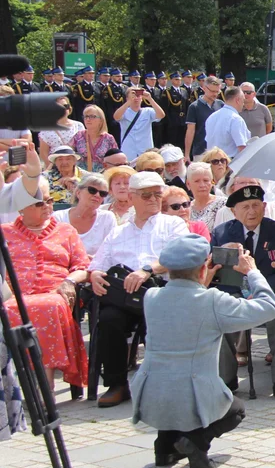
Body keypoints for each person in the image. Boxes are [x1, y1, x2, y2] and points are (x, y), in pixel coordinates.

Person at [131, 233, 275, 468]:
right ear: (203, 268)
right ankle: (195, 443)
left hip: (150, 397)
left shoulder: (151, 296)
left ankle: (165, 449)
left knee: (173, 387)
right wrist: (252, 271)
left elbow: (184, 302)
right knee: (236, 409)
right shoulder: (212, 300)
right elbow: (269, 308)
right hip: (193, 397)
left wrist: (201, 280)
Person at [87, 172, 189, 407]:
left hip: (162, 290)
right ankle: (117, 384)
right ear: (132, 197)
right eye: (147, 195)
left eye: (157, 194)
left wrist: (147, 270)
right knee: (108, 319)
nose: (154, 199)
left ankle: (162, 384)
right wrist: (94, 275)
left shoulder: (172, 223)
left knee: (159, 319)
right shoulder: (118, 232)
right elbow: (97, 265)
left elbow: (182, 255)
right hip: (125, 295)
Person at [211, 184, 275, 401]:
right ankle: (225, 379)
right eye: (245, 207)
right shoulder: (221, 232)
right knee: (214, 308)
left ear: (264, 207)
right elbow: (213, 271)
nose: (251, 212)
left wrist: (262, 289)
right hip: (233, 292)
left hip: (273, 290)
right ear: (234, 211)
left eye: (255, 206)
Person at [2, 180, 90, 390]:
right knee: (10, 309)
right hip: (13, 296)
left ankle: (45, 386)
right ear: (21, 207)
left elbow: (83, 266)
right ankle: (20, 385)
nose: (48, 206)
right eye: (40, 203)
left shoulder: (65, 231)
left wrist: (69, 281)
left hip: (56, 294)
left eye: (50, 201)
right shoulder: (4, 232)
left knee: (47, 306)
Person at [52, 173, 117, 257]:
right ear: (78, 193)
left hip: (96, 267)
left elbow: (112, 249)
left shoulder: (107, 218)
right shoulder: (58, 217)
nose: (97, 195)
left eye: (102, 193)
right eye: (92, 190)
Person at [115, 86, 164, 160]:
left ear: (142, 98)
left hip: (145, 150)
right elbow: (116, 117)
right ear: (127, 98)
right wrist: (129, 102)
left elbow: (161, 115)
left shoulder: (148, 111)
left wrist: (150, 99)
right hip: (129, 151)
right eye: (133, 95)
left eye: (138, 96)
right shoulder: (124, 111)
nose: (136, 98)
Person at [203, 86, 250, 159]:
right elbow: (242, 148)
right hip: (230, 163)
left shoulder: (211, 117)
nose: (243, 104)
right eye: (243, 101)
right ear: (237, 100)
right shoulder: (236, 119)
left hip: (212, 162)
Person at [185, 76, 224, 160]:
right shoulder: (194, 107)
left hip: (219, 152)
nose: (215, 94)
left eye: (217, 92)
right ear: (204, 88)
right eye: (212, 91)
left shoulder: (221, 105)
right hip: (201, 152)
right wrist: (187, 154)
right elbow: (190, 131)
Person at [71, 104, 117, 173]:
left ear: (101, 120)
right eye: (86, 116)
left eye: (92, 116)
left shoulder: (108, 138)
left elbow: (115, 158)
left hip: (102, 177)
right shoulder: (78, 136)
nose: (88, 119)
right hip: (82, 177)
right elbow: (69, 153)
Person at [38, 97, 84, 161]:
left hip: (76, 165)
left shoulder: (79, 126)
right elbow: (44, 154)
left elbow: (83, 148)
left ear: (69, 108)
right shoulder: (46, 130)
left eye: (66, 106)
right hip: (55, 165)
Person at [186, 161, 226, 227]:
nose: (202, 185)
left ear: (212, 182)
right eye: (197, 181)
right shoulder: (186, 209)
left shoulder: (223, 204)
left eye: (206, 180)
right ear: (188, 184)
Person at [161, 72, 189, 148]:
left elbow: (186, 106)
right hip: (173, 121)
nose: (178, 81)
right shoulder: (167, 92)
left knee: (182, 140)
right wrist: (169, 121)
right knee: (173, 141)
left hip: (182, 120)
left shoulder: (184, 91)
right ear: (172, 80)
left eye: (179, 79)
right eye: (176, 79)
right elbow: (166, 108)